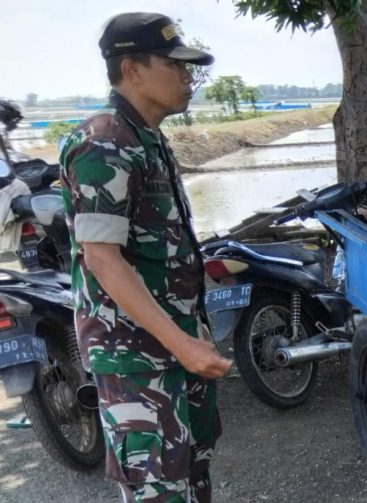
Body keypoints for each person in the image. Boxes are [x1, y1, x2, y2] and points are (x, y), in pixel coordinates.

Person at [58, 12, 230, 502]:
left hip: (173, 347)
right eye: (175, 65)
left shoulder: (145, 139)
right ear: (132, 69)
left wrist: (190, 336)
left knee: (193, 476)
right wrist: (183, 342)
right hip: (137, 359)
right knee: (159, 489)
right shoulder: (104, 142)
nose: (187, 77)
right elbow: (103, 260)